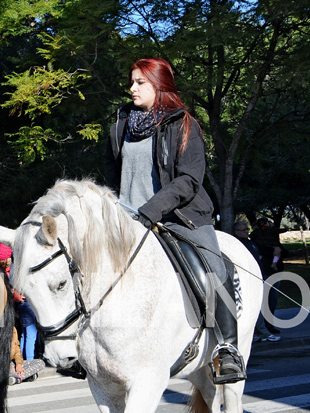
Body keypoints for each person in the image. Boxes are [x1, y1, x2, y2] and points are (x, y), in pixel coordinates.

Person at [103, 57, 246, 383]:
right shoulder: (121, 125)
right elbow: (112, 173)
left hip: (179, 215)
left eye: (140, 82)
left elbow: (188, 181)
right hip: (127, 221)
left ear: (159, 85)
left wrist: (150, 210)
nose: (132, 88)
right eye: (132, 81)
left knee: (214, 268)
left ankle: (227, 349)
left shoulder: (184, 124)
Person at [233, 220, 279, 342]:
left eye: (247, 229)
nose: (247, 232)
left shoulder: (251, 243)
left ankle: (258, 332)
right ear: (236, 231)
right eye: (243, 230)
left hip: (258, 278)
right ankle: (261, 332)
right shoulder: (236, 244)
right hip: (246, 280)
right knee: (253, 307)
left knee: (260, 305)